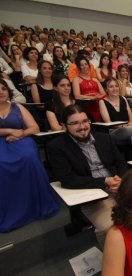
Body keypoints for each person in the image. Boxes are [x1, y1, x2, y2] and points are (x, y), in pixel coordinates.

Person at [48, 104, 128, 246]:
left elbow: (121, 163)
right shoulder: (57, 147)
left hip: (120, 188)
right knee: (111, 226)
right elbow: (68, 180)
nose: (82, 126)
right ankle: (113, 261)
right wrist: (105, 181)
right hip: (92, 196)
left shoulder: (104, 138)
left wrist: (120, 179)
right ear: (64, 126)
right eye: (75, 123)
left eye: (85, 121)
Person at [0, 79, 59, 232]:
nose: (1, 92)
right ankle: (11, 208)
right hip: (1, 143)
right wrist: (8, 131)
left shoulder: (17, 107)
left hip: (21, 139)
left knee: (29, 157)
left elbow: (34, 127)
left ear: (8, 91)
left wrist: (21, 134)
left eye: (3, 89)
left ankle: (35, 204)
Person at [99, 77, 132, 158]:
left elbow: (130, 116)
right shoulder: (102, 102)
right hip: (114, 131)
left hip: (129, 129)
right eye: (111, 87)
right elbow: (108, 122)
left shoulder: (123, 99)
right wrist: (123, 126)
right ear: (106, 89)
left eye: (116, 86)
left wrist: (130, 123)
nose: (114, 89)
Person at [72, 56, 106, 122]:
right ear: (78, 68)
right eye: (82, 65)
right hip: (86, 104)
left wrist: (98, 97)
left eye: (86, 64)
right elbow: (77, 96)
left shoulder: (95, 79)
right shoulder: (76, 80)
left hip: (99, 103)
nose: (84, 66)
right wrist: (92, 97)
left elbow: (104, 93)